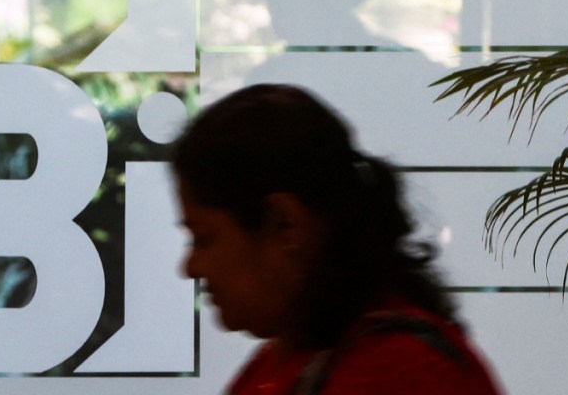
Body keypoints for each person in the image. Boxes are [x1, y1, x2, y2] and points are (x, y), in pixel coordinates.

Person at [172, 84, 503, 395]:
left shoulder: (399, 374)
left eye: (203, 239)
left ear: (285, 223)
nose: (190, 267)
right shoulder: (286, 359)